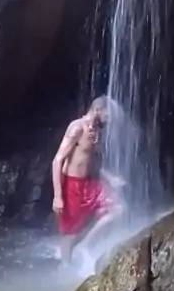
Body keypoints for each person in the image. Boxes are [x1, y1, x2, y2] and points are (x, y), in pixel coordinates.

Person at [51, 96, 124, 263]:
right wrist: (57, 196)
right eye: (108, 115)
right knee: (70, 233)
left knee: (117, 209)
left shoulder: (95, 131)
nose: (109, 119)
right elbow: (57, 160)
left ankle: (85, 245)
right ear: (98, 110)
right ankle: (64, 266)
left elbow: (91, 162)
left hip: (88, 184)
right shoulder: (77, 127)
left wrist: (110, 178)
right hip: (71, 184)